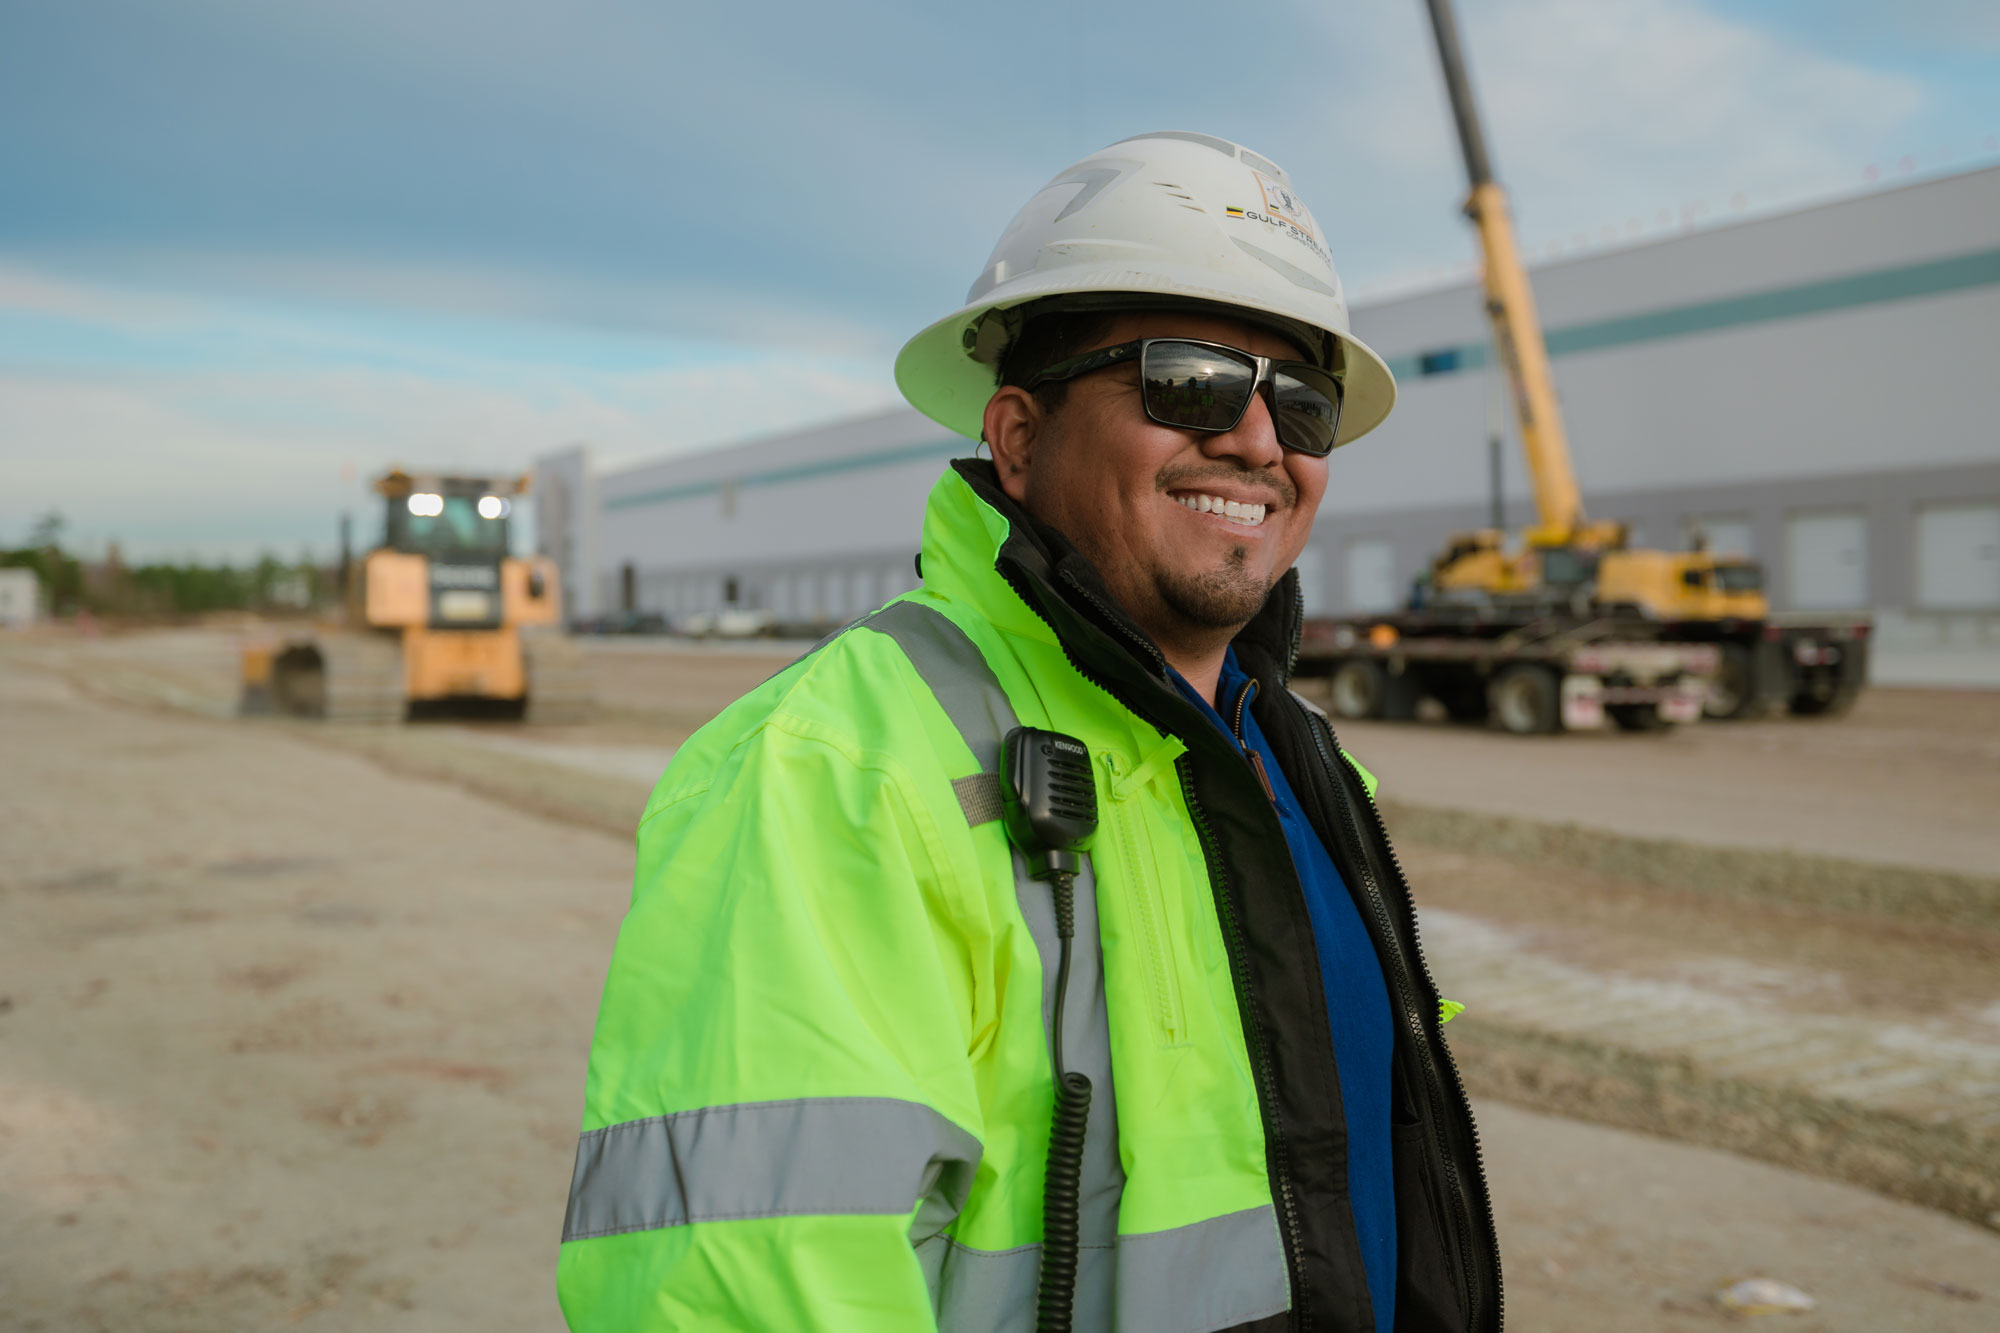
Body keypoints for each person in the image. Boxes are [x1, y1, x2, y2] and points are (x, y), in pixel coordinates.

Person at [557, 132, 1501, 1332]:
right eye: (1189, 380)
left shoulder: (1299, 764)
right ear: (1015, 437)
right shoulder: (834, 770)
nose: (1259, 443)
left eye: (1299, 406)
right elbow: (733, 1295)